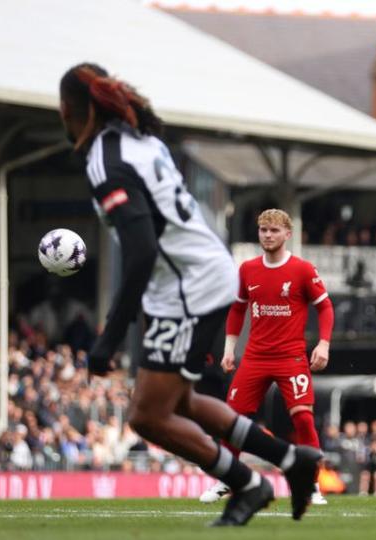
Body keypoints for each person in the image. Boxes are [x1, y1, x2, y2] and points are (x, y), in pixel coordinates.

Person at [58, 63, 321, 526]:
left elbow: (140, 252)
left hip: (188, 287)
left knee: (146, 415)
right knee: (179, 404)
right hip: (193, 278)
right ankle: (291, 460)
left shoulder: (105, 158)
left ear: (71, 110)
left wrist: (110, 336)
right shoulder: (143, 143)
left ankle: (249, 484)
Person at [200, 209, 334, 505]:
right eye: (263, 230)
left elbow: (325, 307)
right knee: (232, 422)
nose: (268, 235)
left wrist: (323, 344)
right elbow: (237, 309)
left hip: (291, 358)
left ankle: (311, 485)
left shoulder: (302, 270)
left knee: (303, 420)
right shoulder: (247, 269)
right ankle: (227, 480)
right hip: (256, 357)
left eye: (274, 231)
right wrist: (229, 349)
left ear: (287, 234)